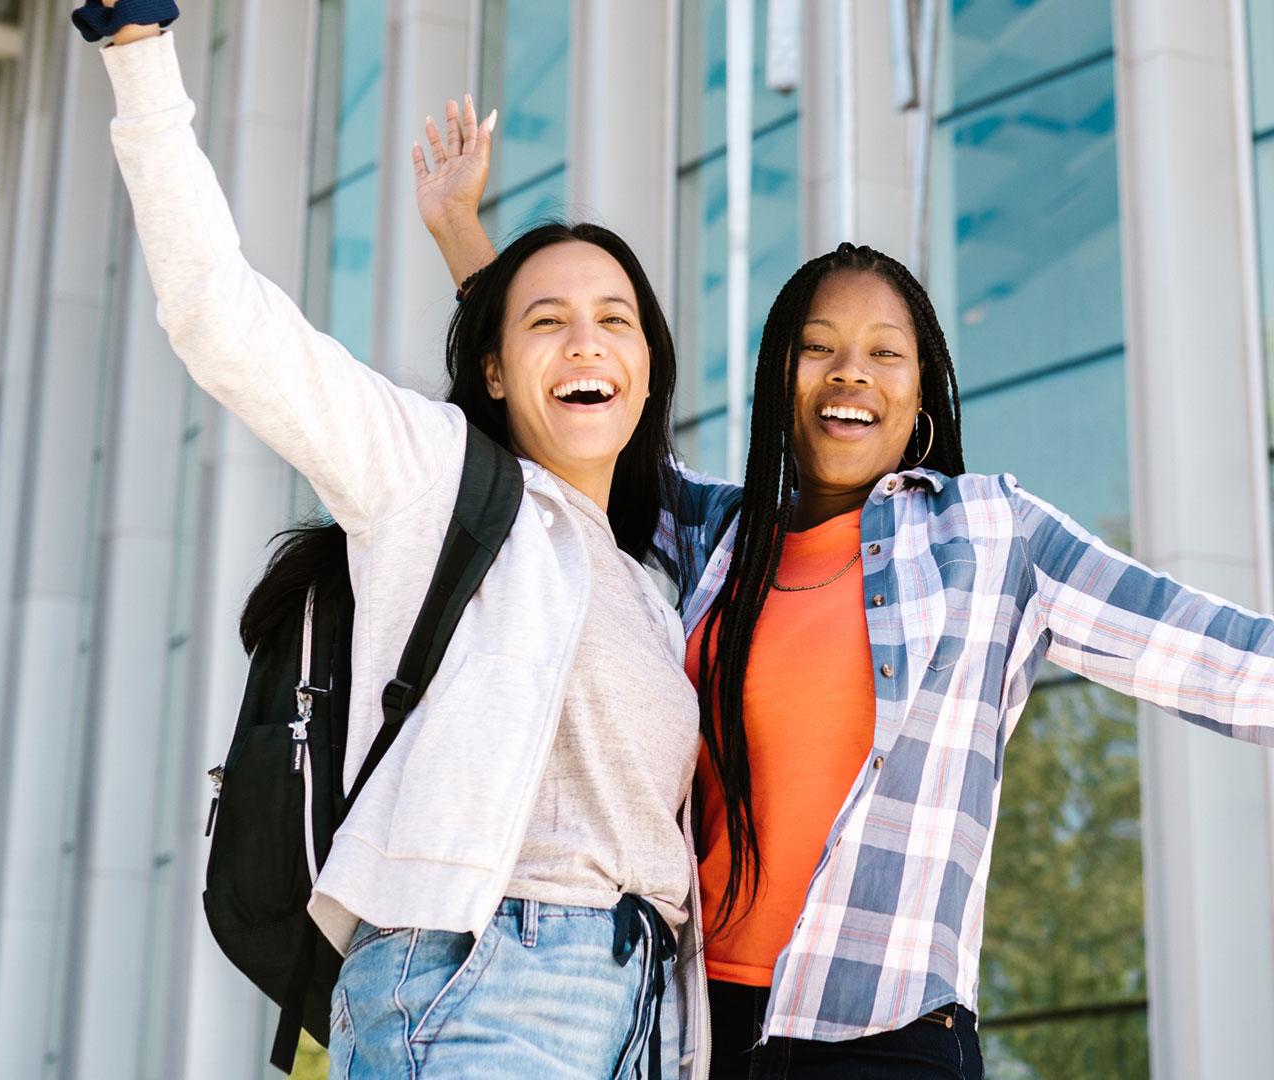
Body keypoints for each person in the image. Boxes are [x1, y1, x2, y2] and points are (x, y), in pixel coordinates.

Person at [415, 97, 1274, 1079]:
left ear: (922, 398)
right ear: (779, 377)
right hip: (697, 1027)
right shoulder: (716, 540)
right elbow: (570, 406)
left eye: (885, 354)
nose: (848, 374)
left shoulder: (993, 537)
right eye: (818, 347)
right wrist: (458, 231)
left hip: (889, 1035)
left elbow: (1221, 657)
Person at [77, 4, 718, 1076]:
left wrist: (469, 237)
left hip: (643, 1018)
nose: (587, 341)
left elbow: (532, 341)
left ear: (648, 365)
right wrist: (139, 56)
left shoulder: (651, 585)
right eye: (549, 323)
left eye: (617, 319)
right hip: (481, 986)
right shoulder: (432, 478)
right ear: (498, 371)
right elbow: (220, 318)